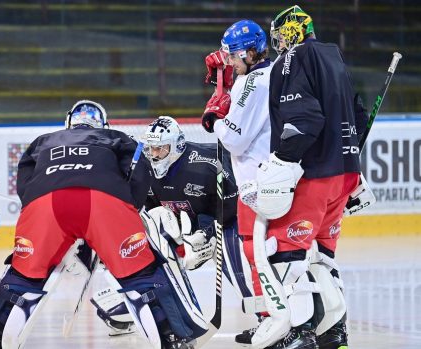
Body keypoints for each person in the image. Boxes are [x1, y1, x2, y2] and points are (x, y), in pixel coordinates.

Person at [0, 101, 210, 349]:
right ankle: (170, 337)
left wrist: (36, 210)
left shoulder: (43, 140)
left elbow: (24, 181)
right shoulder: (115, 137)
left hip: (45, 204)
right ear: (102, 123)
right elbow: (140, 170)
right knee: (142, 276)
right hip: (105, 203)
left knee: (22, 276)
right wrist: (130, 208)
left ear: (68, 123)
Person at [242, 5, 368, 349]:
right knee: (323, 257)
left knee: (286, 252)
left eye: (281, 35)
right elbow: (358, 112)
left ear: (294, 32)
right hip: (344, 174)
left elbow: (303, 119)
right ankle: (334, 332)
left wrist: (282, 161)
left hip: (314, 174)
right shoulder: (332, 55)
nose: (279, 43)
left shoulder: (293, 59)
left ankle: (299, 333)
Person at [91, 115, 252, 337]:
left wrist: (208, 231)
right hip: (185, 227)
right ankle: (148, 309)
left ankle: (263, 311)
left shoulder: (206, 163)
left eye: (161, 149)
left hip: (223, 221)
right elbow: (146, 212)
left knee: (237, 267)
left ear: (177, 145)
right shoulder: (143, 170)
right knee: (148, 250)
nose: (154, 155)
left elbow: (234, 203)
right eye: (151, 149)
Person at [201, 20, 274, 346]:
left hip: (255, 185)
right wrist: (229, 89)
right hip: (273, 178)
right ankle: (275, 318)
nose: (228, 61)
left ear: (249, 52)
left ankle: (273, 320)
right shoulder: (270, 75)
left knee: (256, 254)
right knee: (274, 255)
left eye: (232, 56)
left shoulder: (252, 83)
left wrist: (216, 117)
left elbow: (234, 139)